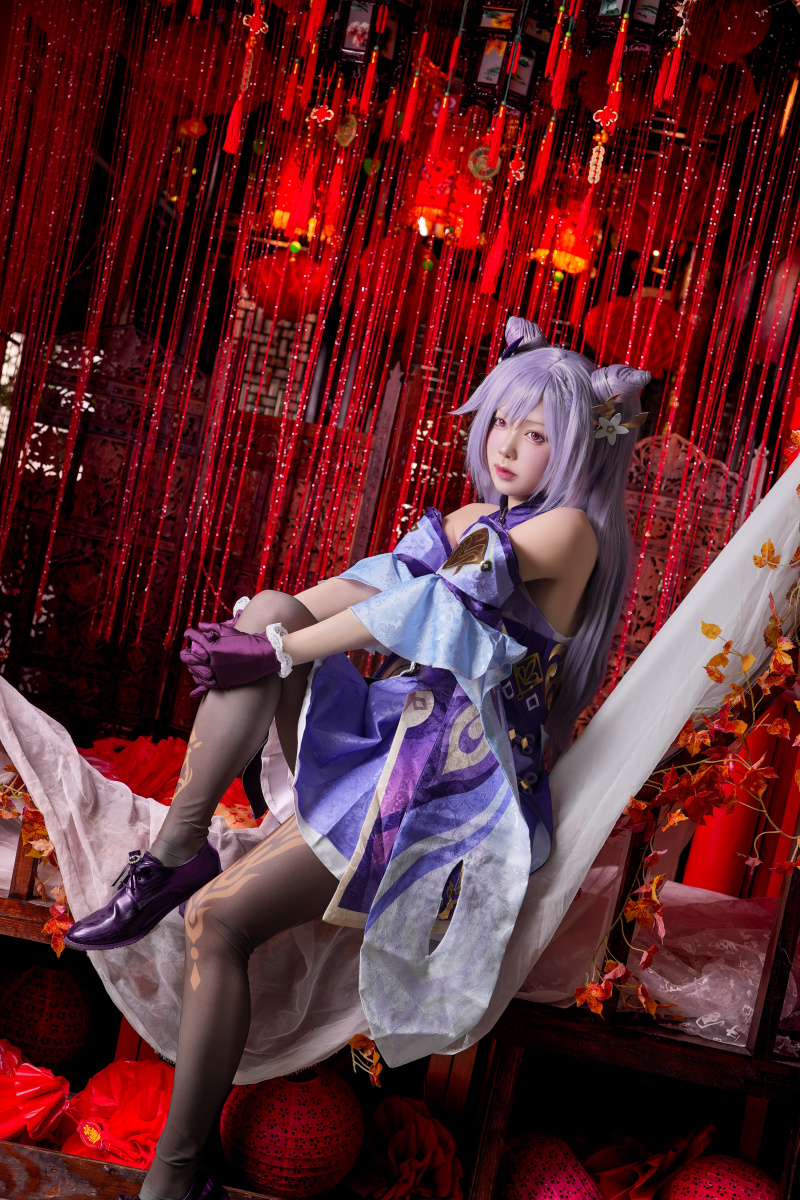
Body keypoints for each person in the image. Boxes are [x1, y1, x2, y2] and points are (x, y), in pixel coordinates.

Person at [23, 317, 651, 1200]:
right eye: (501, 423)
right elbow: (373, 583)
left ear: (579, 445)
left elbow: (433, 606)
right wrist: (256, 629)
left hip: (449, 790)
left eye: (536, 433)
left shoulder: (571, 534)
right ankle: (174, 853)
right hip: (393, 739)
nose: (507, 446)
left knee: (219, 922)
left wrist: (278, 655)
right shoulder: (477, 515)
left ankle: (178, 1171)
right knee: (272, 603)